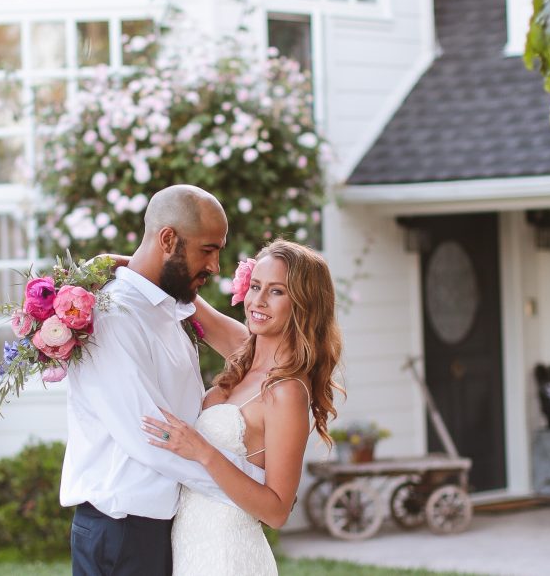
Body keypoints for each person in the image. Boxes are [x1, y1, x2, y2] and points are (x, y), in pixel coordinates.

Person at [62, 184, 264, 576]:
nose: (215, 266)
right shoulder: (115, 318)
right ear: (168, 239)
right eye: (208, 249)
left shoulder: (167, 309)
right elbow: (154, 437)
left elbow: (254, 354)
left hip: (159, 529)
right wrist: (253, 487)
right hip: (122, 535)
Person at [141, 239, 343, 575]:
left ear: (303, 304)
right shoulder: (243, 350)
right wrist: (114, 264)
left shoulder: (287, 391)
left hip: (229, 554)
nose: (258, 301)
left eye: (276, 291)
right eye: (255, 286)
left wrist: (202, 451)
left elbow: (276, 511)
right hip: (190, 545)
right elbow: (186, 298)